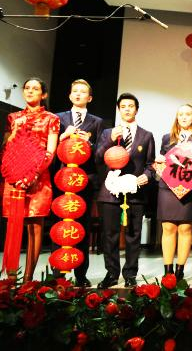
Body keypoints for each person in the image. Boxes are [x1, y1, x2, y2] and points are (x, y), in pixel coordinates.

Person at [1, 77, 59, 282]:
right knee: (13, 224)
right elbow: (6, 148)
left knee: (34, 225)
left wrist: (32, 174)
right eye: (27, 88)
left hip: (38, 178)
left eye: (35, 88)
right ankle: (10, 277)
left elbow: (50, 152)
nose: (30, 91)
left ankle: (27, 278)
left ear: (44, 94)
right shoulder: (13, 117)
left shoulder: (51, 119)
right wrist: (15, 130)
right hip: (14, 178)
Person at [95, 93, 155, 288]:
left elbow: (150, 164)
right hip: (110, 192)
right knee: (110, 235)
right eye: (123, 106)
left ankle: (130, 274)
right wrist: (110, 140)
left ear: (136, 109)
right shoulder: (108, 133)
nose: (127, 109)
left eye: (131, 106)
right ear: (119, 110)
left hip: (135, 192)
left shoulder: (146, 135)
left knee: (133, 235)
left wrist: (147, 175)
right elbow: (97, 157)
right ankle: (112, 274)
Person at [52, 79, 103, 287]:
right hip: (63, 179)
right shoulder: (58, 118)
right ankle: (58, 274)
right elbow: (50, 147)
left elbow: (100, 153)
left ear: (89, 98)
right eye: (75, 91)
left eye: (83, 92)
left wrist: (88, 142)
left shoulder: (96, 122)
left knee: (82, 227)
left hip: (85, 179)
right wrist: (64, 136)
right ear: (70, 95)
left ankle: (81, 275)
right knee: (61, 225)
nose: (78, 94)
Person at [155, 104, 192, 280]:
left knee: (185, 228)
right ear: (177, 118)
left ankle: (180, 271)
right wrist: (159, 161)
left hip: (189, 188)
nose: (184, 117)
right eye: (181, 114)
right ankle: (168, 271)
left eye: (188, 114)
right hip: (167, 187)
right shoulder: (167, 138)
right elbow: (161, 163)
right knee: (168, 227)